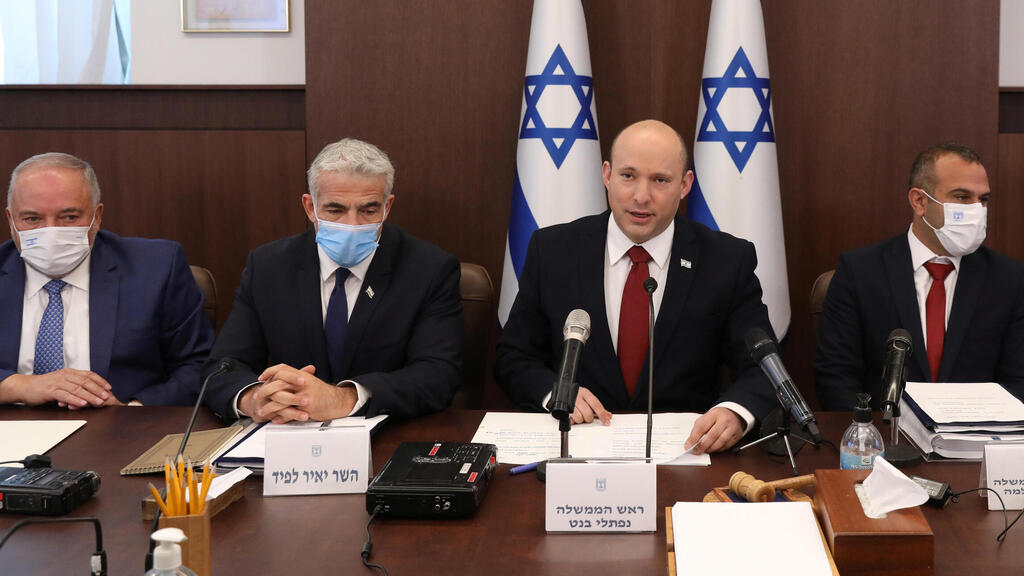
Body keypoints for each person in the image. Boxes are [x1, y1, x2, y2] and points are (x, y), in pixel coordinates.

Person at [496, 119, 778, 454]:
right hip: (578, 447)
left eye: (660, 180)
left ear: (685, 185)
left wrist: (735, 411)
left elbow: (765, 367)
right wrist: (553, 391)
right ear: (607, 175)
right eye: (628, 176)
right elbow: (514, 357)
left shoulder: (727, 260)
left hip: (687, 455)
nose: (641, 197)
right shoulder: (554, 251)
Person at [202, 138, 462, 424]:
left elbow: (438, 374)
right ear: (310, 207)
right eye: (335, 210)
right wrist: (254, 398)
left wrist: (343, 398)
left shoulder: (429, 269)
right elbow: (223, 367)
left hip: (387, 433)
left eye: (368, 210)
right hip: (289, 429)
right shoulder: (268, 266)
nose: (352, 225)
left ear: (387, 207)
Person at [815, 143, 1024, 410]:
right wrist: (870, 432)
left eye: (983, 199)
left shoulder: (1010, 280)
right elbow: (835, 376)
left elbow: (1018, 381)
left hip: (976, 433)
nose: (977, 210)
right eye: (962, 197)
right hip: (882, 430)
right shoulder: (860, 272)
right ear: (919, 201)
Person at [0, 152, 213, 406]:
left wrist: (132, 411)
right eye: (32, 219)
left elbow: (201, 366)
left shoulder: (157, 269)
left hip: (123, 424)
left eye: (69, 217)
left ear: (97, 216)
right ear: (11, 220)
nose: (51, 232)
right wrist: (17, 386)